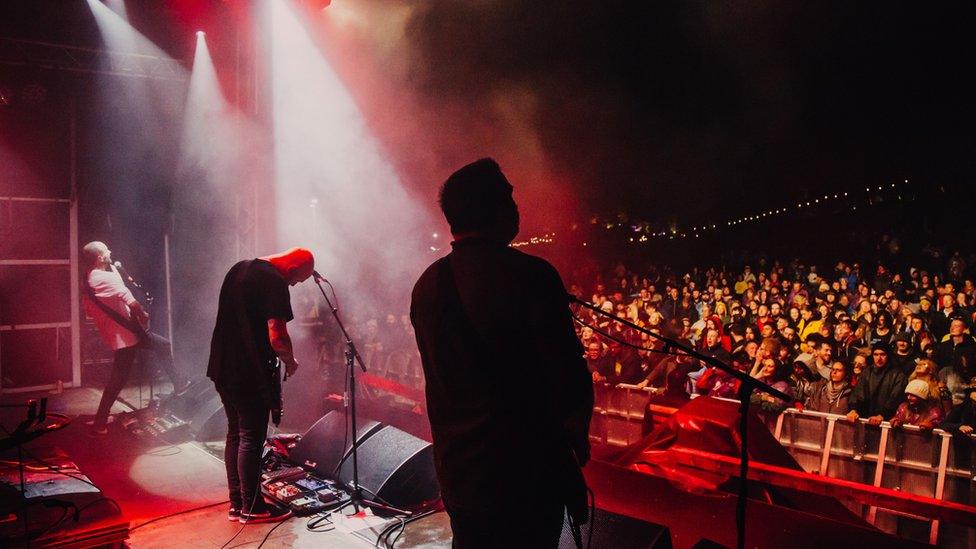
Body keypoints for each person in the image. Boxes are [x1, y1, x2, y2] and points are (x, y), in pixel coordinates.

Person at [410, 159, 592, 547]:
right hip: (525, 477)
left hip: (459, 472)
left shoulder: (427, 285)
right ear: (494, 207)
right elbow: (567, 378)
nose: (516, 206)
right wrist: (575, 441)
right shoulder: (531, 276)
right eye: (510, 197)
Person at [207, 247, 315, 523]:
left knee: (236, 434)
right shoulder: (274, 281)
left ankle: (238, 503)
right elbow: (277, 333)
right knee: (251, 439)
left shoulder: (239, 267)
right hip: (247, 371)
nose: (294, 285)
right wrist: (290, 361)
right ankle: (253, 508)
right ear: (291, 270)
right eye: (297, 280)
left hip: (222, 365)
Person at [82, 241, 187, 437]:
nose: (110, 251)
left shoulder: (90, 278)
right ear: (100, 257)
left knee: (118, 378)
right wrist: (142, 316)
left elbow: (89, 308)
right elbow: (129, 298)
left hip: (119, 334)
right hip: (126, 334)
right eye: (106, 250)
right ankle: (180, 384)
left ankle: (99, 422)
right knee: (161, 346)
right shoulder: (103, 278)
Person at [846, 343, 908, 425]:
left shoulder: (898, 375)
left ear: (888, 355)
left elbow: (895, 398)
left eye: (882, 354)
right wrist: (853, 410)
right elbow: (858, 393)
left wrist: (883, 415)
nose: (879, 358)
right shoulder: (867, 372)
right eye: (876, 354)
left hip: (886, 423)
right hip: (865, 420)